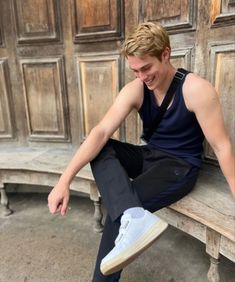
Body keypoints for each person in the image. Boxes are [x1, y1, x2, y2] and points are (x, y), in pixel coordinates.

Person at [48, 22, 235, 281]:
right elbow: (101, 132)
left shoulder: (196, 90)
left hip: (179, 167)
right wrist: (63, 181)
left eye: (147, 68)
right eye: (135, 70)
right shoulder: (137, 88)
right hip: (150, 156)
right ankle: (133, 217)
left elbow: (222, 145)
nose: (142, 76)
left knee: (121, 209)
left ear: (165, 54)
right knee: (100, 149)